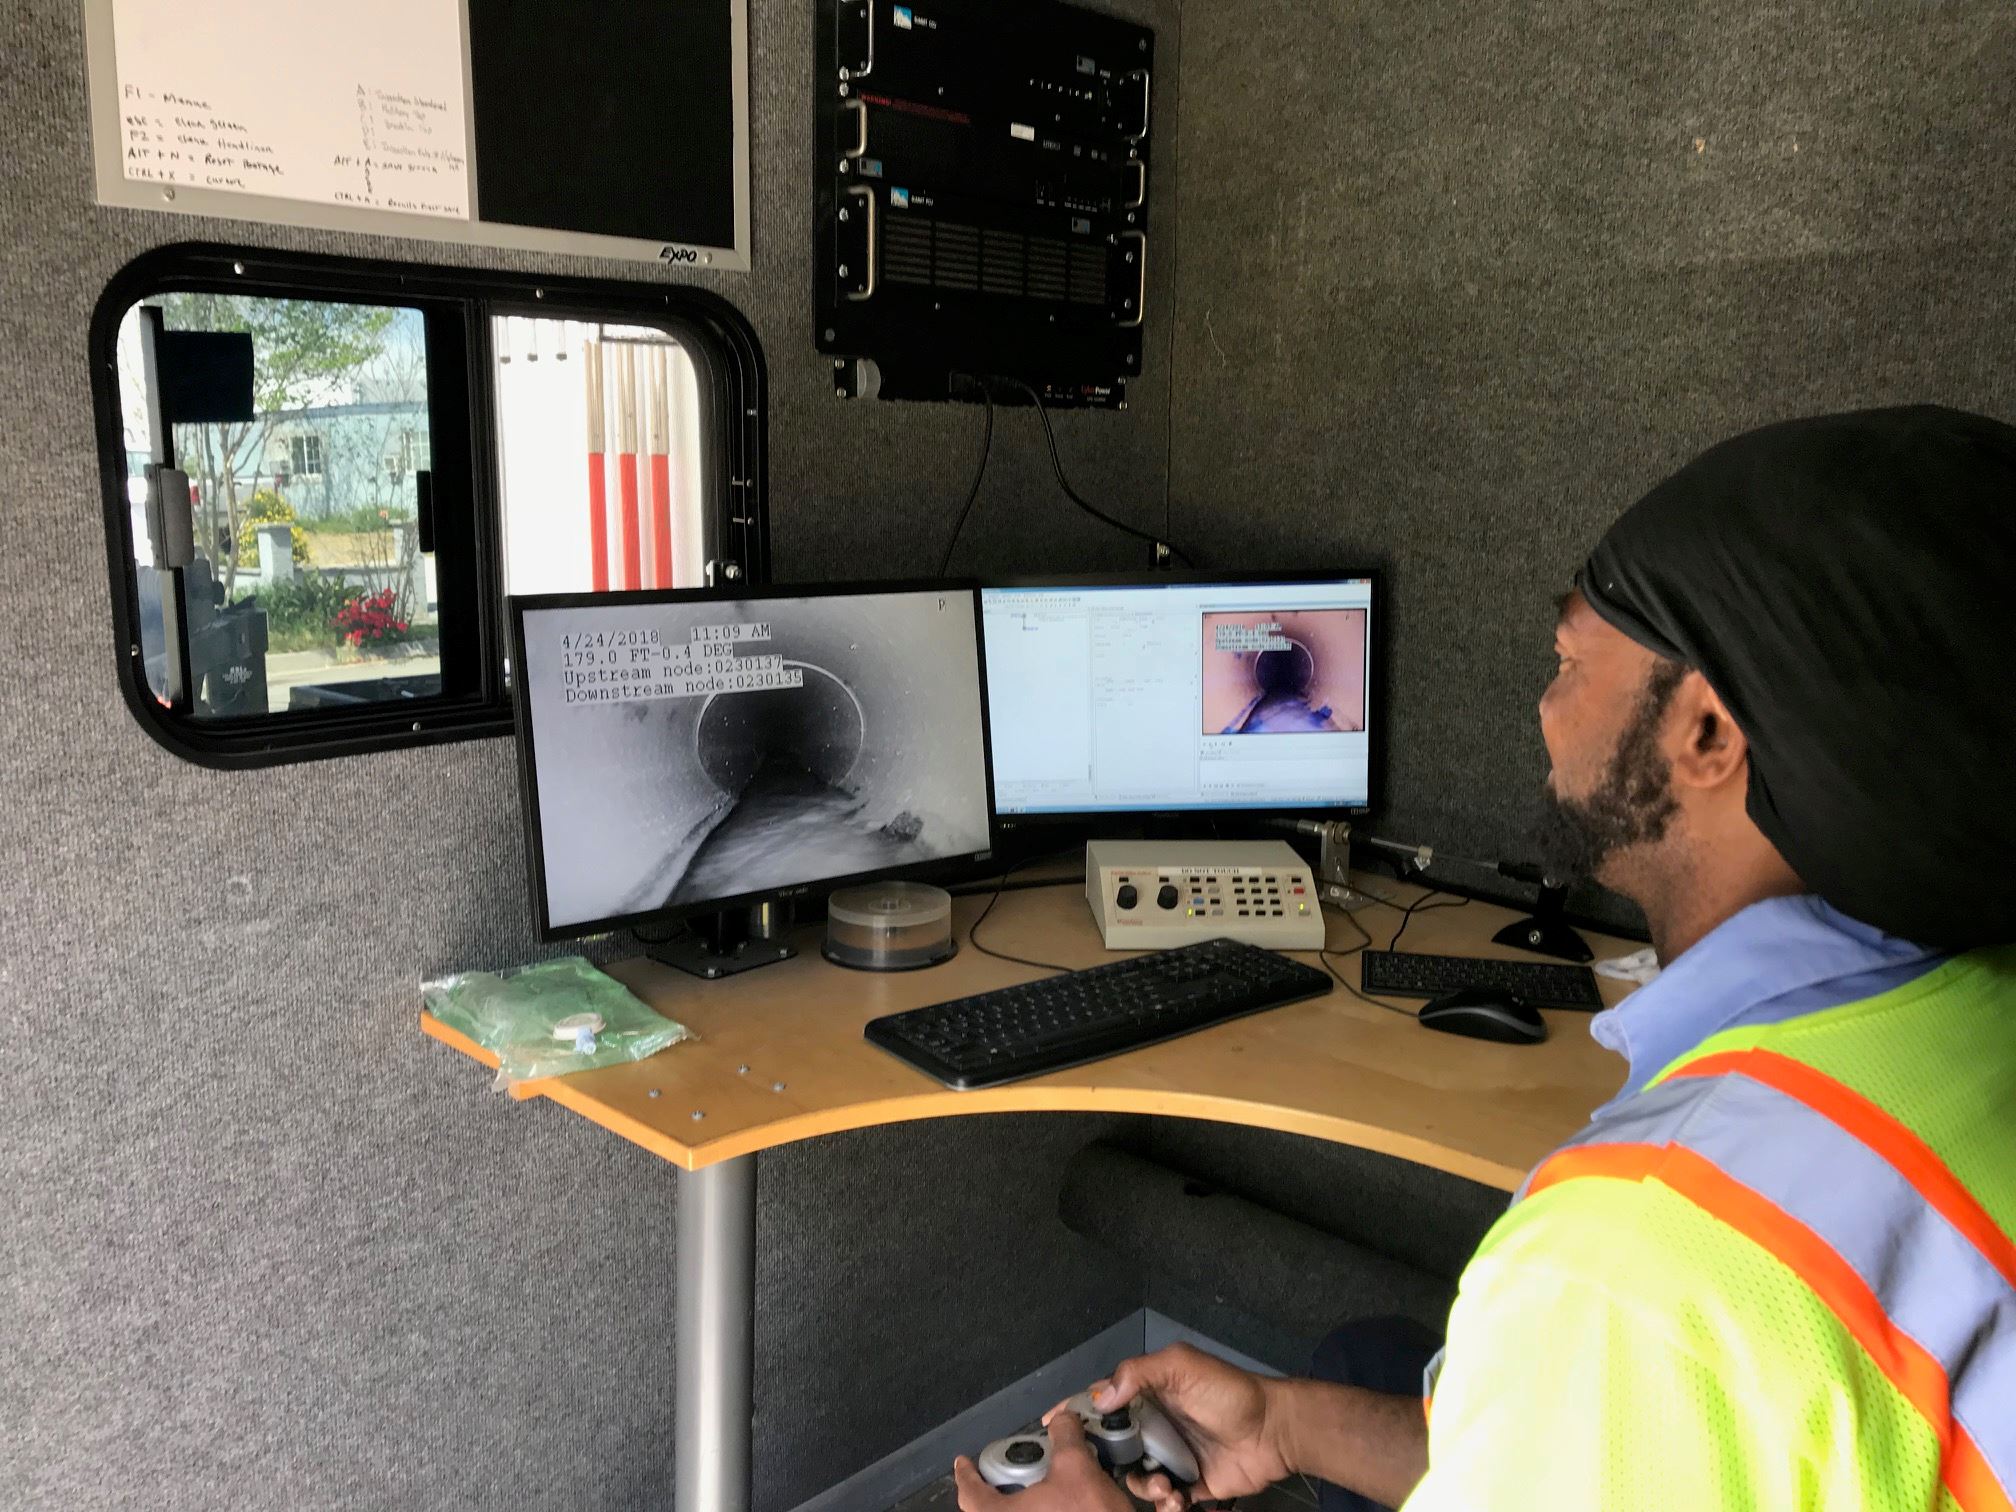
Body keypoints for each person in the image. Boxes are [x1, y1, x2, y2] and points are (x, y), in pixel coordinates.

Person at [952, 405, 2016, 1511]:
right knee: (1366, 1356)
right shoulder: (1982, 1004)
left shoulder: (1627, 1273)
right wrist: (1281, 1424)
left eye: (1570, 660)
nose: (1545, 709)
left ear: (1705, 733)